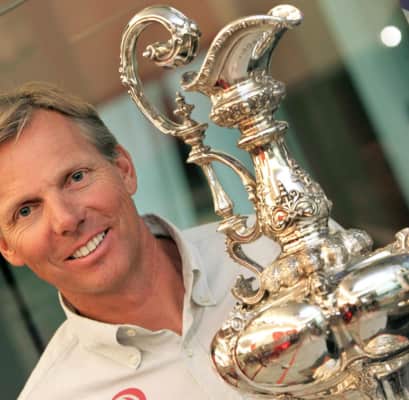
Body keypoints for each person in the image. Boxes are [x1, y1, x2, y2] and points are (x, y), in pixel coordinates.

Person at [0, 82, 281, 400]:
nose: (66, 219)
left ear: (124, 169)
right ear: (6, 247)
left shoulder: (273, 248)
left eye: (76, 177)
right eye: (26, 211)